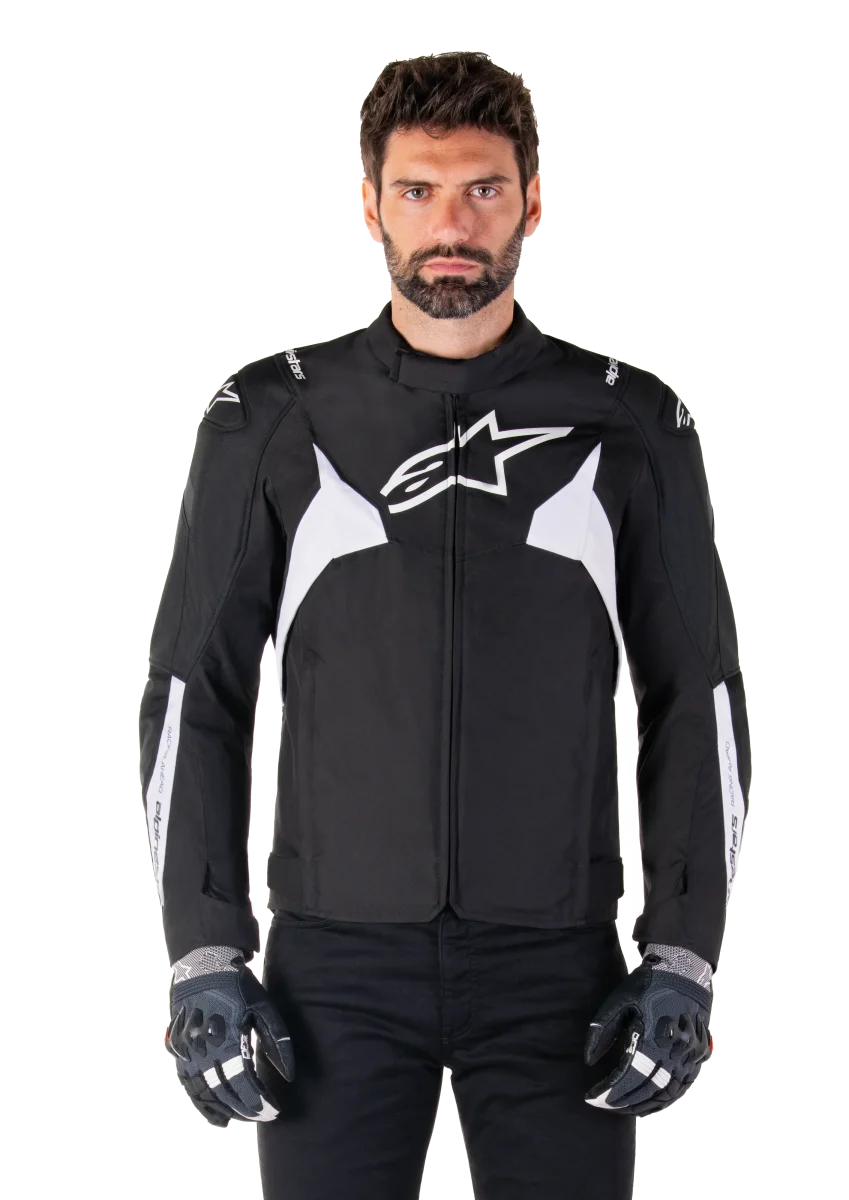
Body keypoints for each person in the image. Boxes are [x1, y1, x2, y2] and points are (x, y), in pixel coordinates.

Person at [141, 50, 751, 1199]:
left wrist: (683, 953)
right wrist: (203, 951)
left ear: (533, 202)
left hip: (559, 965)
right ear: (371, 205)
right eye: (419, 190)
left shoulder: (631, 419)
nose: (452, 225)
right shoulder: (271, 414)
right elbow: (195, 689)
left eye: (483, 189)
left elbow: (698, 695)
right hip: (334, 965)